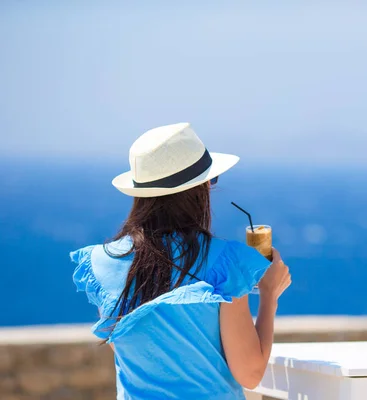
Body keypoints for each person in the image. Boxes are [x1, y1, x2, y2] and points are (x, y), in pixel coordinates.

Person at [70, 123, 291, 399]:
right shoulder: (224, 263)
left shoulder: (103, 263)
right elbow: (250, 373)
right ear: (198, 190)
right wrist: (269, 294)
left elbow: (130, 347)